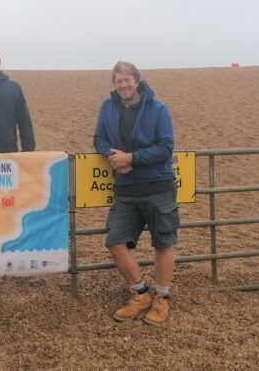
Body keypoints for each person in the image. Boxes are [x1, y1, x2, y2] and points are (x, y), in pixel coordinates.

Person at [93, 61, 178, 325]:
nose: (123, 85)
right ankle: (140, 294)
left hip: (158, 186)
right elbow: (99, 139)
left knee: (163, 244)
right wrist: (113, 157)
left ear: (137, 81)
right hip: (126, 190)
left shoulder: (158, 108)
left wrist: (132, 158)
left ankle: (162, 299)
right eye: (118, 81)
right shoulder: (107, 107)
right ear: (114, 83)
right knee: (115, 242)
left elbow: (166, 147)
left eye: (127, 80)